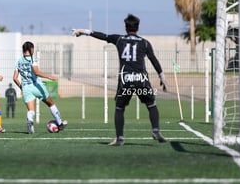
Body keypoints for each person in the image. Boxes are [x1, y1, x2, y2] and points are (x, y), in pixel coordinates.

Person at [72, 14, 168, 146]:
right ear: (138, 28)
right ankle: (156, 130)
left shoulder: (119, 39)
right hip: (141, 79)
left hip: (126, 80)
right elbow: (153, 59)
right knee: (151, 104)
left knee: (120, 108)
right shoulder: (145, 42)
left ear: (125, 27)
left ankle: (120, 139)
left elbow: (103, 36)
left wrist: (83, 31)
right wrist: (162, 75)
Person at [13, 41, 67, 134]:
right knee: (50, 103)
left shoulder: (19, 61)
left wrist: (22, 87)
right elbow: (37, 72)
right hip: (36, 86)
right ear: (31, 49)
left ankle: (30, 121)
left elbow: (14, 78)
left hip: (26, 88)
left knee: (31, 110)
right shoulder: (33, 59)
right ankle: (60, 123)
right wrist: (49, 77)